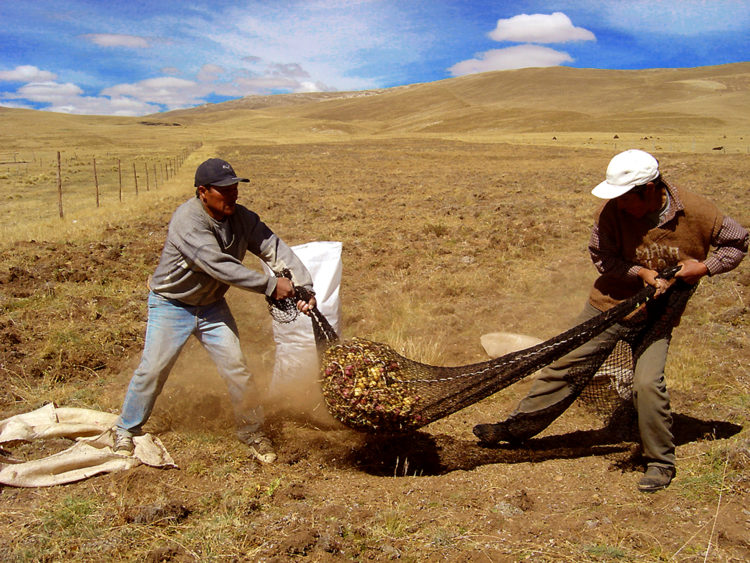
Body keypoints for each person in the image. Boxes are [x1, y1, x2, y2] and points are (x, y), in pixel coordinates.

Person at [474, 149, 748, 492]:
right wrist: (640, 271)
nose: (618, 204)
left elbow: (737, 243)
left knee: (647, 384)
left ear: (649, 189)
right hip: (608, 306)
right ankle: (514, 429)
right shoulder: (610, 213)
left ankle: (660, 462)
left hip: (658, 318)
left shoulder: (700, 212)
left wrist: (704, 267)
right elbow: (602, 257)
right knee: (567, 366)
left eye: (624, 197)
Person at [114, 158, 316, 464]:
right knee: (153, 369)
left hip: (211, 308)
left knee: (237, 368)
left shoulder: (241, 218)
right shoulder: (187, 221)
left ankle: (253, 432)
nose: (232, 195)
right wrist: (270, 285)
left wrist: (304, 287)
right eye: (224, 190)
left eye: (234, 188)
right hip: (171, 304)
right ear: (202, 192)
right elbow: (219, 266)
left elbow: (273, 247)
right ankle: (126, 429)